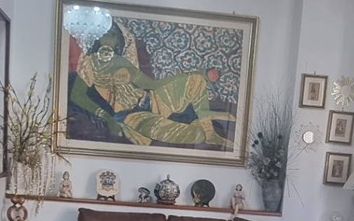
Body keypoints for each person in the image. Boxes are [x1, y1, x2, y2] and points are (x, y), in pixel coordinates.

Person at [68, 26, 234, 149]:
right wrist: (106, 116)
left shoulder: (121, 61)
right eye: (104, 34)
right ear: (97, 38)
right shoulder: (90, 63)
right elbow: (77, 96)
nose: (108, 40)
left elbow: (153, 85)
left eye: (112, 35)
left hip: (153, 100)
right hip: (132, 115)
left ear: (118, 40)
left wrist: (193, 74)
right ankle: (203, 128)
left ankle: (210, 133)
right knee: (191, 135)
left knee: (196, 80)